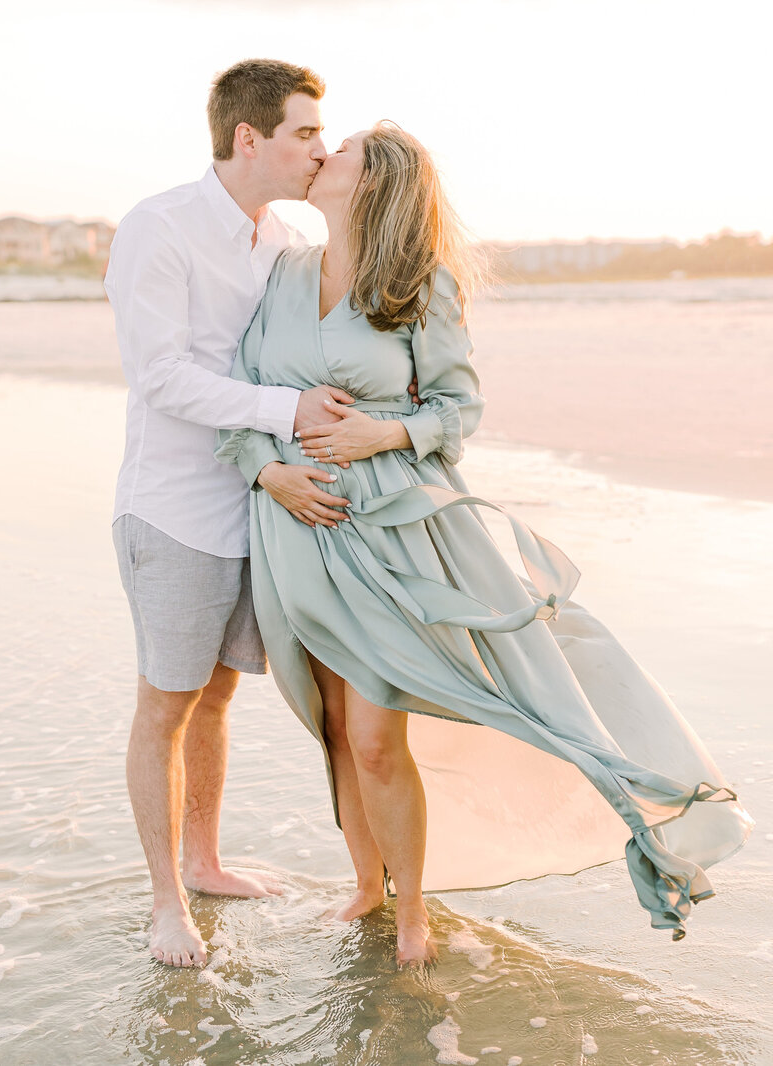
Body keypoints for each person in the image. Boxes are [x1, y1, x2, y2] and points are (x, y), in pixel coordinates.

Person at [215, 122, 753, 966]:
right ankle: (366, 887)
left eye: (340, 150)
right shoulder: (278, 273)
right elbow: (236, 398)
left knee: (377, 737)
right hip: (295, 531)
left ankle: (417, 911)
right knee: (330, 727)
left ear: (374, 181)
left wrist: (379, 438)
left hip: (395, 534)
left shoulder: (419, 284)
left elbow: (458, 413)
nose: (322, 156)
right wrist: (266, 475)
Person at [104, 59, 364, 969]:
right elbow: (162, 378)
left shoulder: (284, 232)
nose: (319, 150)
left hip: (254, 506)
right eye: (303, 133)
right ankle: (165, 903)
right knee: (164, 707)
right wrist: (288, 415)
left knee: (215, 700)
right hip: (172, 511)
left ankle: (204, 860)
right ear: (247, 137)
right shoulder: (159, 226)